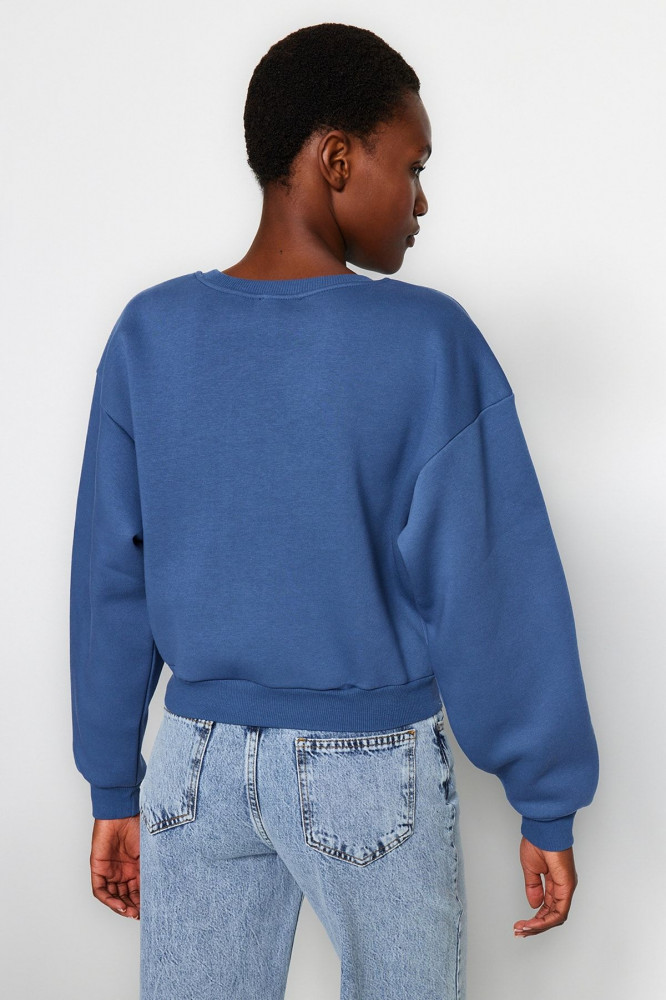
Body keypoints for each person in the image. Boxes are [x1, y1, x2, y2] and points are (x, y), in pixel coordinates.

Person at [69, 22, 599, 1000]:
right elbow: (491, 584)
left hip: (192, 767)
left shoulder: (150, 334)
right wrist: (548, 800)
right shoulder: (427, 341)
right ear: (338, 159)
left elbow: (113, 577)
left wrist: (112, 781)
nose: (422, 200)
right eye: (414, 165)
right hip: (370, 769)